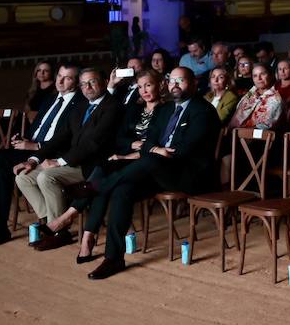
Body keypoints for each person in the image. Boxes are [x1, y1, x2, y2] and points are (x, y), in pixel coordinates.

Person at [79, 66, 221, 278]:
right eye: (171, 80)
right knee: (123, 189)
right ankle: (113, 258)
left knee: (152, 161)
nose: (174, 85)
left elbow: (183, 151)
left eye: (180, 81)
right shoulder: (166, 110)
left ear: (193, 83)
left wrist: (154, 151)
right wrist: (155, 149)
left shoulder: (204, 111)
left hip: (189, 176)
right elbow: (148, 142)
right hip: (159, 171)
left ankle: (98, 187)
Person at [19, 68, 124, 250]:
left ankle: (58, 231)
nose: (87, 87)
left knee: (46, 177)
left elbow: (93, 143)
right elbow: (61, 136)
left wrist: (59, 162)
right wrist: (35, 159)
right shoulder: (81, 106)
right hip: (73, 162)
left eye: (92, 82)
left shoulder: (112, 106)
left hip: (93, 166)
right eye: (83, 84)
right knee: (23, 177)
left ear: (105, 81)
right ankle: (53, 227)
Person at [0, 63, 82, 247]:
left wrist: (35, 144)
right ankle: (1, 228)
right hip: (30, 150)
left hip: (50, 154)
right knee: (1, 172)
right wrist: (23, 138)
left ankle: (1, 229)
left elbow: (68, 140)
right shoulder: (51, 99)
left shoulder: (79, 104)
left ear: (76, 82)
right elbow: (37, 127)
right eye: (59, 75)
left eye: (67, 77)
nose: (60, 80)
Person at [229, 64, 284, 132]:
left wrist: (239, 134)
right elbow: (237, 113)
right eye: (255, 76)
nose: (259, 78)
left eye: (263, 74)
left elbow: (264, 126)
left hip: (257, 137)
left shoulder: (275, 98)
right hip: (235, 133)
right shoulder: (251, 92)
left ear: (271, 76)